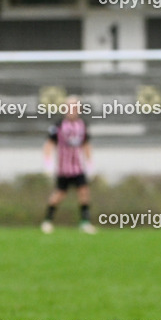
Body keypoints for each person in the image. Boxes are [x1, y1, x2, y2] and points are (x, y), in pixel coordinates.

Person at [41, 95, 95, 234]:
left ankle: (85, 222)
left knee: (84, 192)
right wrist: (48, 163)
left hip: (78, 167)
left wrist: (89, 163)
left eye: (75, 108)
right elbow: (49, 145)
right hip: (64, 169)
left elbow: (86, 145)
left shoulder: (83, 125)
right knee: (58, 194)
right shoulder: (58, 126)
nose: (72, 110)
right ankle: (47, 221)